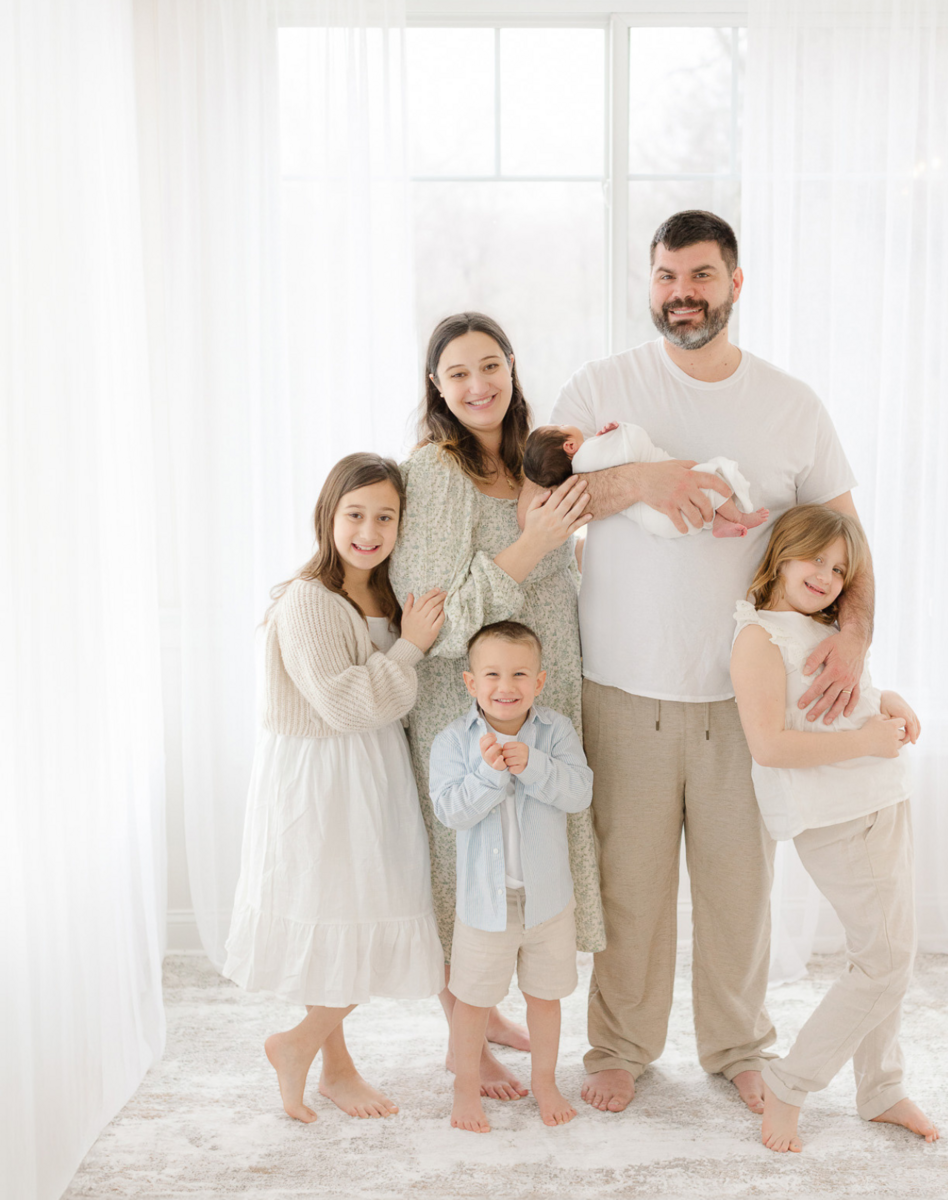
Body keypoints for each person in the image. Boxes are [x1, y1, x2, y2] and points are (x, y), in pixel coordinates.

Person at [551, 210, 875, 1115]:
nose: (681, 292)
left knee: (741, 889)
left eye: (699, 275)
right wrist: (652, 481)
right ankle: (618, 1046)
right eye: (665, 276)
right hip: (623, 687)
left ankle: (739, 1048)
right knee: (631, 888)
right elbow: (546, 493)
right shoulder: (604, 383)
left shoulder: (790, 404)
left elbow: (848, 534)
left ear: (736, 284)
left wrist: (852, 636)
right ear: (649, 284)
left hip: (747, 699)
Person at [390, 312, 606, 1101]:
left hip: (541, 692)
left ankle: (489, 1016)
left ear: (513, 366)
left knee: (534, 859)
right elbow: (437, 620)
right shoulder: (436, 473)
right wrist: (534, 545)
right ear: (437, 388)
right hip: (467, 700)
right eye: (457, 374)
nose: (477, 385)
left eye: (490, 366)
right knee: (469, 869)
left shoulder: (525, 460)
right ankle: (466, 1042)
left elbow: (554, 567)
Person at [224, 452, 447, 1123]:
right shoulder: (309, 600)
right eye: (356, 514)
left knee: (351, 919)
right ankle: (297, 1044)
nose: (369, 530)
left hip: (370, 767)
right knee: (349, 916)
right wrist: (409, 648)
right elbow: (345, 704)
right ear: (329, 515)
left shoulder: (384, 591)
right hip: (322, 777)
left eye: (386, 516)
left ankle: (334, 1065)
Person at [729, 504, 939, 1152]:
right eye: (815, 558)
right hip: (839, 818)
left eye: (839, 568)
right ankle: (791, 1085)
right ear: (781, 556)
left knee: (883, 950)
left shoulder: (825, 629)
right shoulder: (759, 639)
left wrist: (887, 703)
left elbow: (839, 711)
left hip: (881, 798)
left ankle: (881, 1087)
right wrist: (869, 743)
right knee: (885, 962)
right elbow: (770, 745)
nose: (826, 574)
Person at [430, 621, 592, 1132]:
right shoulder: (454, 741)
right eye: (493, 674)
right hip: (484, 902)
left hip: (547, 901)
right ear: (471, 683)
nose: (507, 686)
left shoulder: (555, 731)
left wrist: (534, 766)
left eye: (520, 674)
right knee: (474, 999)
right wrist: (491, 772)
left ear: (540, 682)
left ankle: (545, 1081)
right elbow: (450, 811)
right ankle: (465, 1087)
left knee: (545, 996)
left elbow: (579, 794)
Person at [523, 421, 769, 539]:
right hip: (664, 509)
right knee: (707, 481)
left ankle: (715, 525)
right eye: (562, 425)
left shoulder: (580, 472)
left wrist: (602, 439)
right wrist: (619, 431)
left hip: (657, 524)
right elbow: (633, 441)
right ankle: (737, 516)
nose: (568, 423)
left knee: (699, 504)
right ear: (569, 445)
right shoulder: (588, 455)